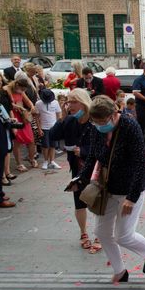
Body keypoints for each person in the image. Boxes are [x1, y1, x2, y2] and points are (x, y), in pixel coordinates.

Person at [68, 96, 145, 282]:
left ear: (114, 114)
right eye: (96, 121)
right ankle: (120, 271)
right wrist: (81, 178)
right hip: (107, 188)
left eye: (103, 121)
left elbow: (140, 165)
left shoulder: (130, 127)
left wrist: (131, 198)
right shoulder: (95, 128)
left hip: (130, 187)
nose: (100, 125)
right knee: (101, 232)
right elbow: (93, 155)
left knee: (123, 236)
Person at [50, 88, 100, 254]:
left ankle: (99, 235)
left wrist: (83, 151)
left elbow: (102, 146)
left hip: (96, 168)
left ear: (83, 102)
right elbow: (53, 136)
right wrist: (62, 117)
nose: (69, 105)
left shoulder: (95, 121)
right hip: (78, 168)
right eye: (68, 102)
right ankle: (83, 233)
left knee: (98, 201)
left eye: (73, 101)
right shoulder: (70, 120)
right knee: (79, 201)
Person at [5, 78, 37, 172]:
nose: (22, 91)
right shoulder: (8, 90)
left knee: (31, 139)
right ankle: (19, 163)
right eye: (22, 89)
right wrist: (18, 106)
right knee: (17, 141)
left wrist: (32, 106)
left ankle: (31, 158)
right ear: (17, 85)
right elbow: (9, 104)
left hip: (23, 116)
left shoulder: (21, 91)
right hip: (14, 115)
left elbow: (27, 101)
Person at [35, 89, 62, 170]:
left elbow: (58, 113)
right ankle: (46, 161)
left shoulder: (55, 102)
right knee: (45, 145)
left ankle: (52, 161)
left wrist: (58, 125)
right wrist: (39, 129)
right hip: (44, 127)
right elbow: (36, 117)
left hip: (53, 127)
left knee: (53, 145)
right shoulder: (38, 103)